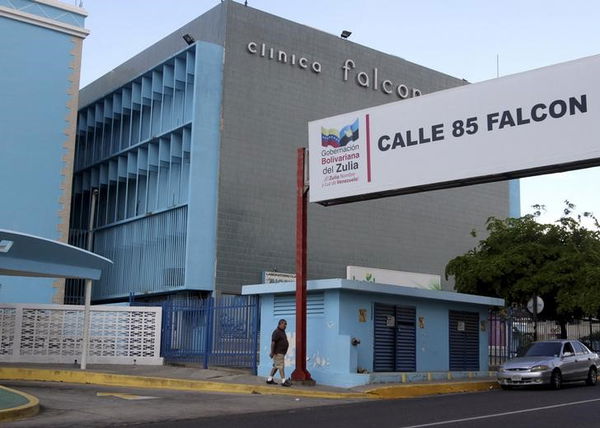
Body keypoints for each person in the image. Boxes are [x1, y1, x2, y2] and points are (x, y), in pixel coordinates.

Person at [266, 319, 291, 386]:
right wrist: (272, 352)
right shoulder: (276, 332)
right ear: (280, 324)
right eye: (284, 324)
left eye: (286, 324)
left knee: (276, 366)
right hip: (278, 353)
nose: (285, 326)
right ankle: (283, 381)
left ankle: (269, 379)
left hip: (281, 353)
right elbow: (273, 343)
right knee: (281, 366)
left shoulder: (282, 332)